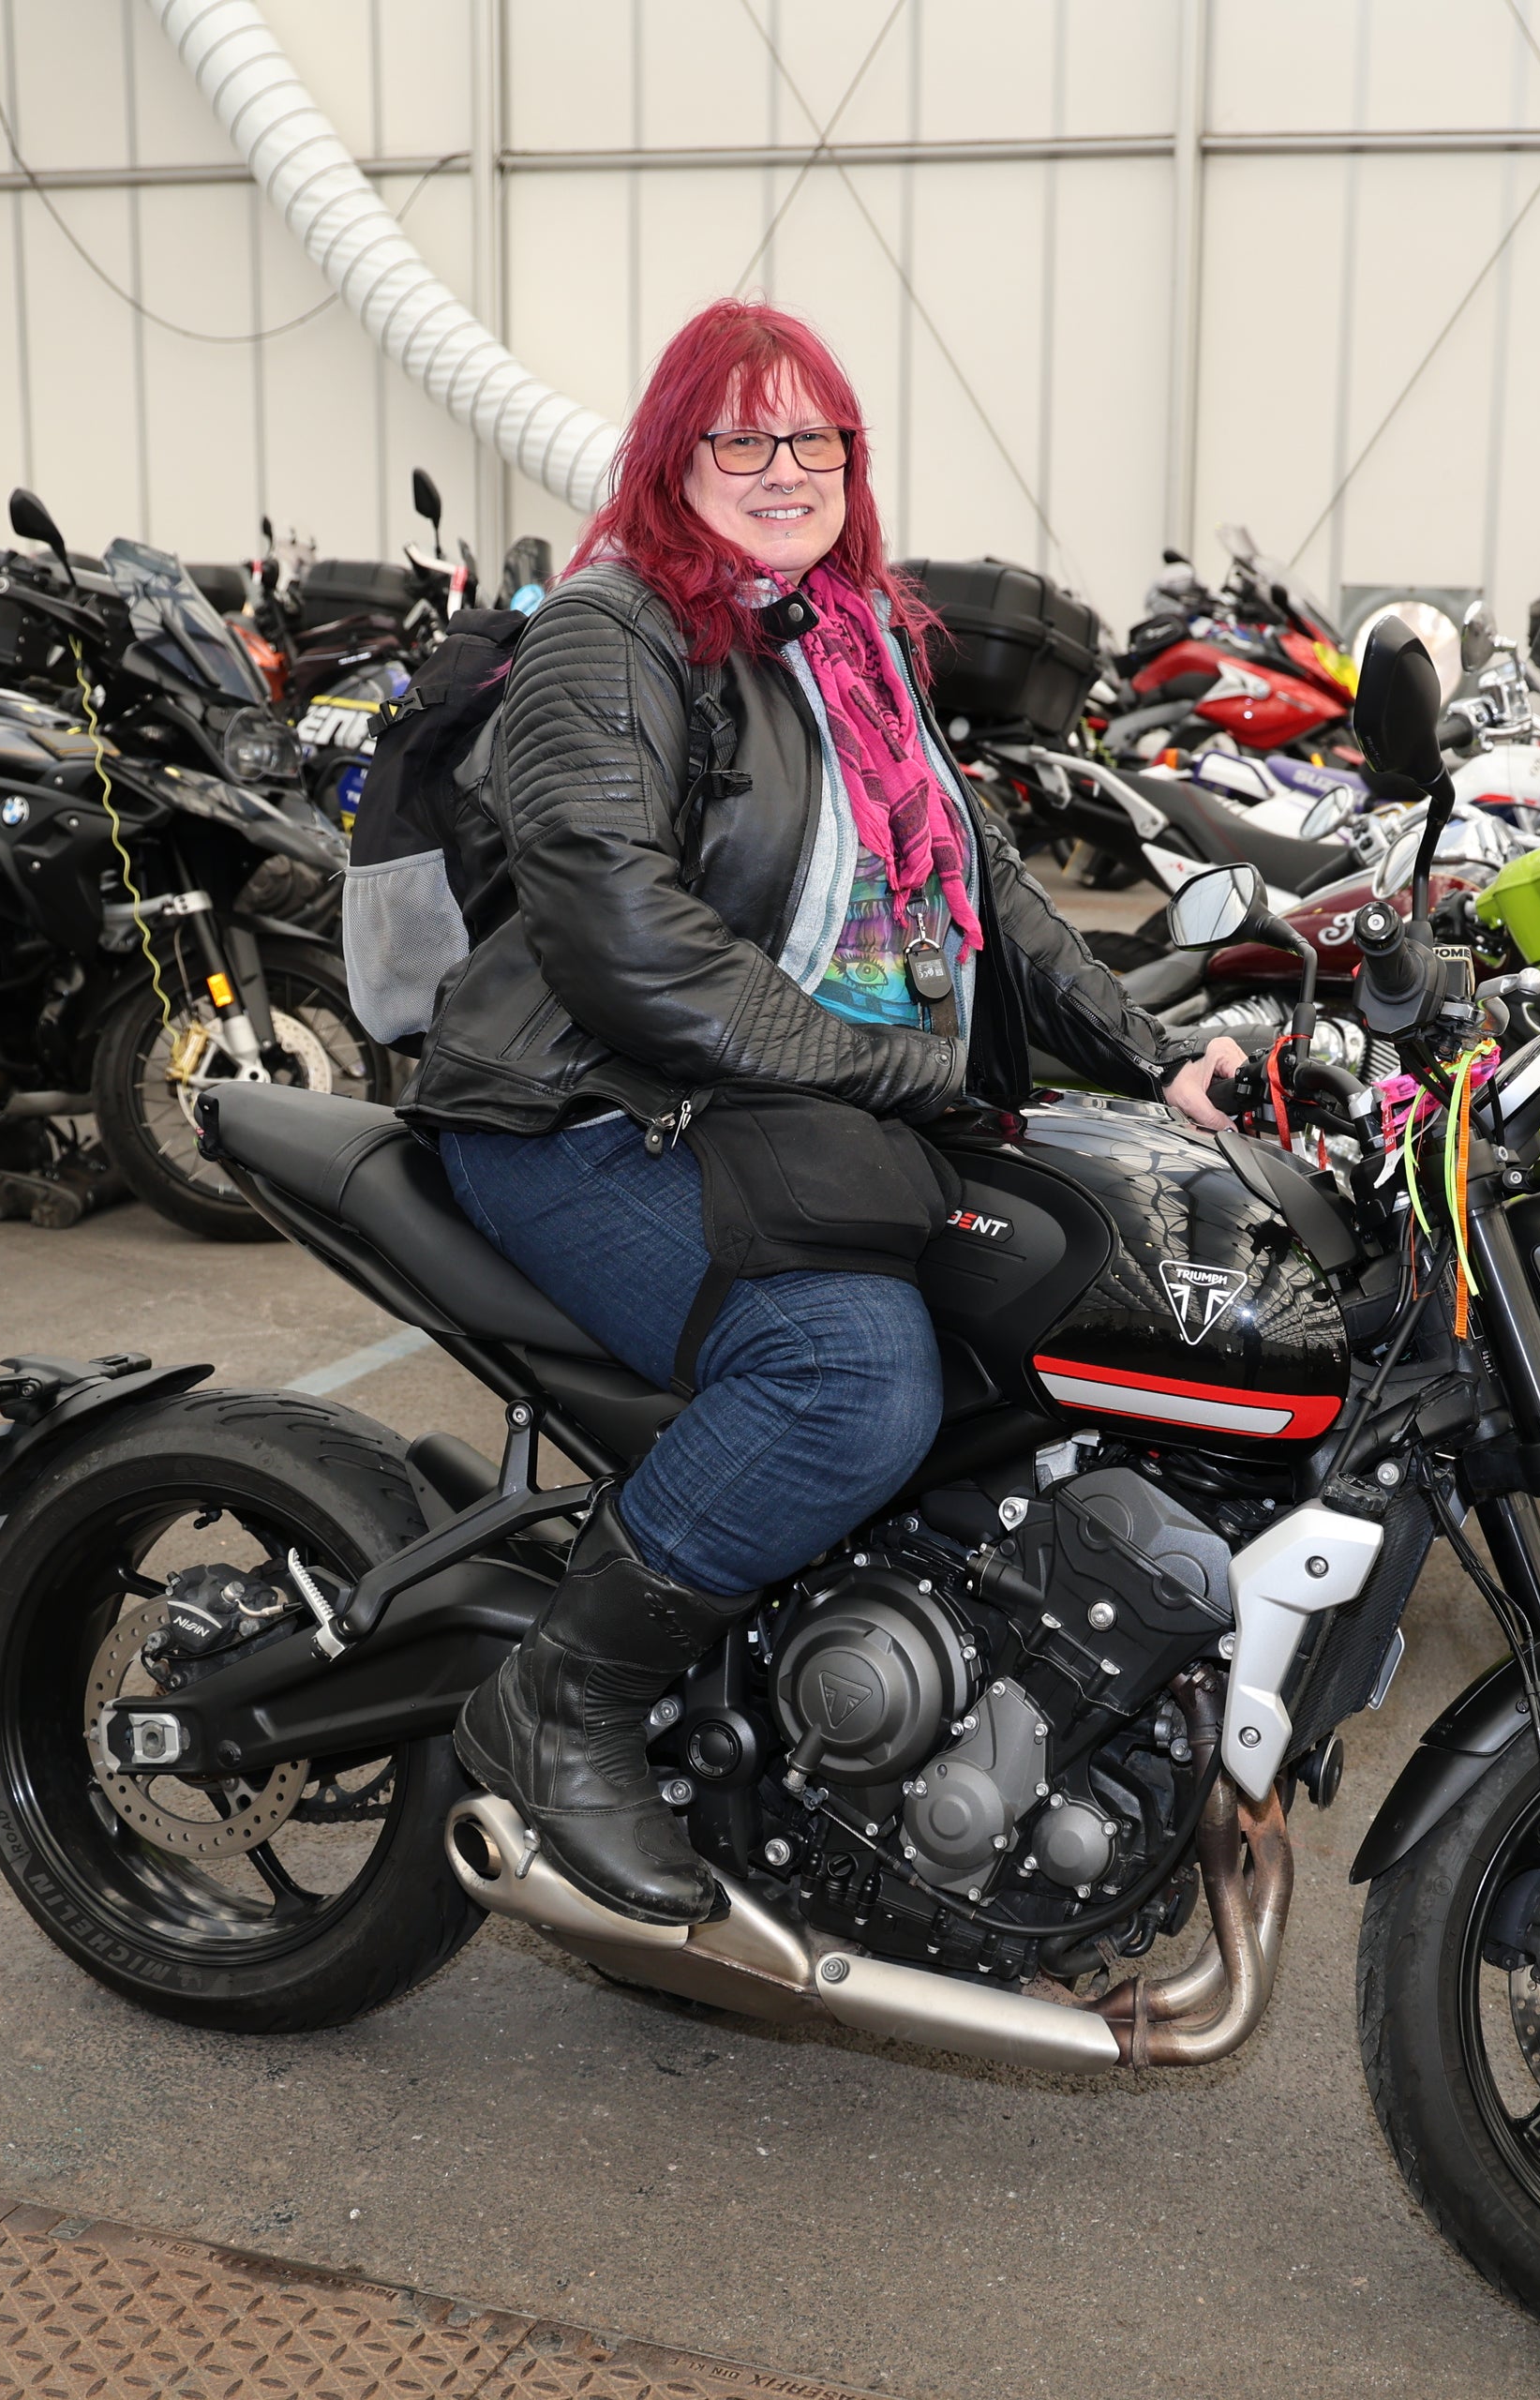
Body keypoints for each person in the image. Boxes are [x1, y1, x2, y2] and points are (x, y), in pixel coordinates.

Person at [405, 299, 1244, 1928]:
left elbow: (989, 890)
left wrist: (1160, 1058)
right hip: (581, 1111)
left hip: (770, 1103)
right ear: (674, 455)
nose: (786, 469)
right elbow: (620, 931)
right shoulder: (616, 631)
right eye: (744, 438)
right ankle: (563, 1704)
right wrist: (892, 1069)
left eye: (818, 439)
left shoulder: (853, 642)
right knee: (852, 1380)